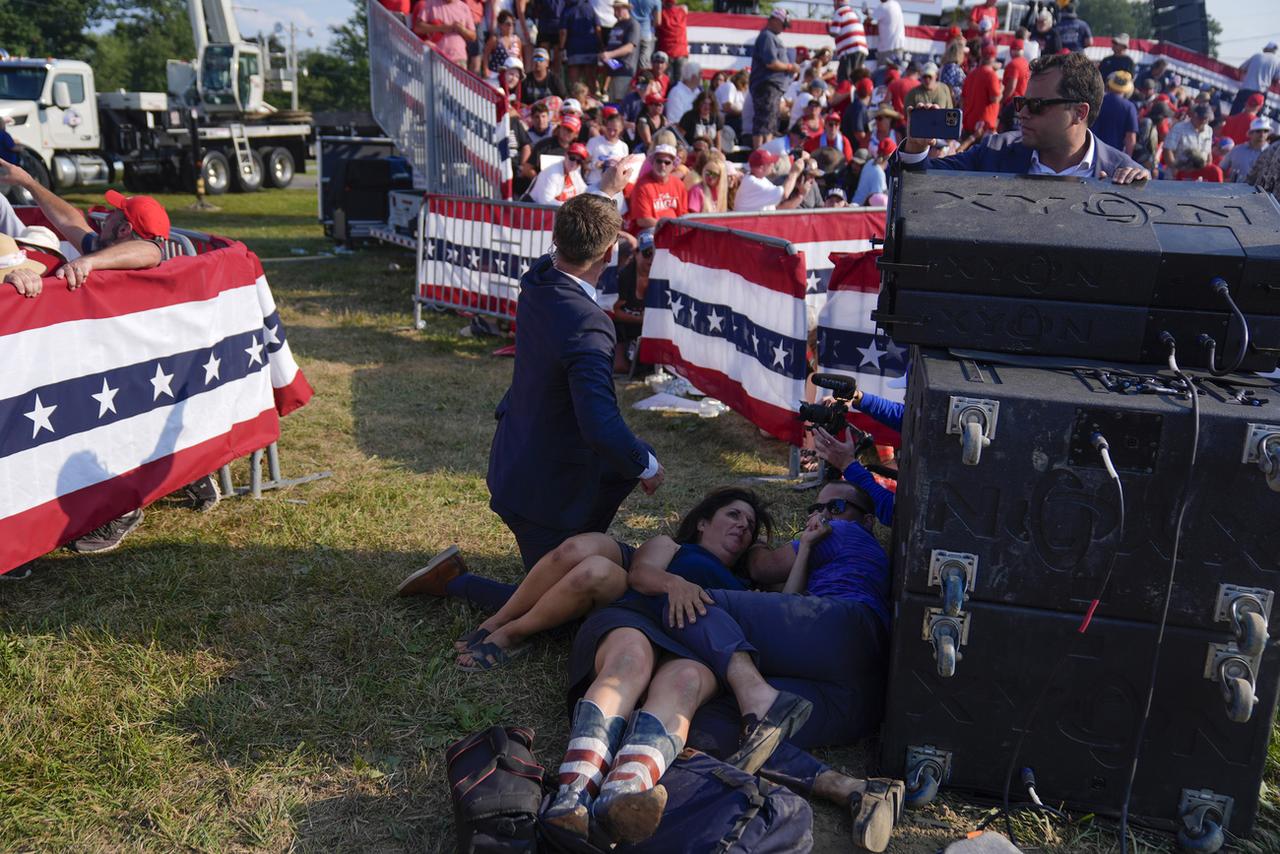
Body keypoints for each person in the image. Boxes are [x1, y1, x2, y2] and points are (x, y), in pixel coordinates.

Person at [543, 485, 903, 849]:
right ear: (701, 522)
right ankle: (851, 788)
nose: (824, 515)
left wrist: (759, 554)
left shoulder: (835, 537)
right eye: (734, 515)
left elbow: (775, 586)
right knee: (710, 726)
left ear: (868, 520)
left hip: (836, 632)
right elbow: (641, 574)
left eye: (836, 506)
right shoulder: (679, 549)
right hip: (859, 692)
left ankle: (755, 698)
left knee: (694, 602)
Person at [484, 194, 663, 574]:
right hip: (541, 497)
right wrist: (647, 468)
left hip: (519, 462)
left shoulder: (539, 280)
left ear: (556, 237)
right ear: (610, 253)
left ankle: (578, 541)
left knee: (627, 459)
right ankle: (456, 582)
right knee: (557, 609)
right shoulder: (588, 322)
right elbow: (599, 424)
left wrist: (608, 191)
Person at [899, 52, 1149, 183]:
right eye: (1021, 103)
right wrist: (915, 148)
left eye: (1037, 105)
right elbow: (916, 182)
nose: (1023, 113)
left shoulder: (1123, 175)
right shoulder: (994, 151)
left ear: (1079, 113)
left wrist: (1142, 192)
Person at [749, 9, 798, 147]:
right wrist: (790, 67)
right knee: (763, 122)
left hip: (772, 87)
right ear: (775, 20)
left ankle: (766, 152)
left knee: (769, 122)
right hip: (766, 85)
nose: (783, 29)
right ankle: (759, 154)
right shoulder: (767, 36)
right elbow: (771, 63)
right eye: (783, 25)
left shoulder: (770, 37)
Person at [627, 143, 687, 230]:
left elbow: (683, 215)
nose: (663, 165)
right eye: (659, 161)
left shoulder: (679, 184)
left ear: (673, 165)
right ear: (653, 162)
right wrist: (670, 227)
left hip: (674, 230)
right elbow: (643, 220)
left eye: (667, 162)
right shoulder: (642, 185)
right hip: (650, 231)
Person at [733, 148, 803, 211]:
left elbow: (777, 207)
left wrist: (801, 195)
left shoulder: (760, 178)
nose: (773, 164)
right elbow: (784, 194)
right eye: (770, 163)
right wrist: (794, 172)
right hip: (746, 224)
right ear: (761, 168)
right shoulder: (753, 182)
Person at [412, 0, 477, 66]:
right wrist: (441, 28)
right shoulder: (430, 4)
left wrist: (462, 30)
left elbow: (473, 36)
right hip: (435, 58)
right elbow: (418, 28)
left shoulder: (464, 7)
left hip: (458, 59)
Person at [601, 0, 640, 102]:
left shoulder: (633, 24)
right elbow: (612, 45)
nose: (615, 12)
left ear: (626, 8)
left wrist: (609, 54)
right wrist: (605, 55)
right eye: (614, 9)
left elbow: (629, 47)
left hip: (625, 70)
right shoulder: (617, 25)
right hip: (613, 70)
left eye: (618, 9)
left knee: (620, 101)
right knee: (613, 101)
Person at [1093, 70, 1139, 156]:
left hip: (1091, 149)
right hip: (1113, 155)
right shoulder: (1129, 107)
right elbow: (1131, 137)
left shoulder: (1097, 101)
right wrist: (1128, 159)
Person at [960, 44, 1001, 139]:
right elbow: (995, 98)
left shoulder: (971, 74)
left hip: (968, 124)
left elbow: (962, 99)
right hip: (983, 128)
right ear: (993, 58)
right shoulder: (991, 75)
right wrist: (1002, 89)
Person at [1162, 103, 1214, 174]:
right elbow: (1168, 150)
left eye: (1206, 118)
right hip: (1180, 170)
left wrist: (1208, 170)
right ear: (1194, 115)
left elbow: (1208, 153)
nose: (1204, 121)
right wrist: (1174, 168)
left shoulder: (1209, 130)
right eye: (1201, 118)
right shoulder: (1179, 128)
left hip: (1199, 174)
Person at [562, 0, 602, 87]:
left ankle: (576, 99)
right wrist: (601, 44)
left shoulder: (568, 9)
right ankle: (593, 98)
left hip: (574, 49)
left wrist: (561, 47)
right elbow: (598, 28)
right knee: (591, 79)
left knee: (575, 82)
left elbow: (563, 32)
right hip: (590, 48)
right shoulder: (590, 7)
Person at [1233, 42, 1280, 116]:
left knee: (1234, 113)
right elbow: (1277, 78)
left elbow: (1242, 68)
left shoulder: (1257, 56)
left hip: (1246, 88)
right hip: (1261, 92)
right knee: (1255, 120)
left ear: (1266, 49)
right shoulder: (1277, 61)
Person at [586, 108, 629, 186]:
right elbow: (584, 165)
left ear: (621, 129)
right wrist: (595, 165)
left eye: (615, 130)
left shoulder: (623, 146)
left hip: (613, 186)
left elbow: (624, 169)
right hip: (594, 184)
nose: (611, 133)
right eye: (609, 129)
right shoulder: (593, 142)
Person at [830, 0, 868, 82]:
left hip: (849, 51)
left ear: (837, 2)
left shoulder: (839, 12)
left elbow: (834, 32)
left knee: (844, 78)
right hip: (861, 50)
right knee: (856, 77)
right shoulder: (854, 13)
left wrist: (828, 28)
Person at [1222, 118, 1270, 183]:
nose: (1262, 134)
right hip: (1233, 191)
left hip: (1257, 192)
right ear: (1250, 133)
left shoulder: (1271, 154)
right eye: (1258, 131)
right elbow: (1222, 168)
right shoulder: (1237, 150)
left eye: (1266, 131)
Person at [655, 0, 689, 85]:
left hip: (666, 52)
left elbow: (656, 26)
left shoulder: (661, 14)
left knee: (666, 82)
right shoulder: (682, 11)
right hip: (681, 52)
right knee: (681, 83)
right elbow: (685, 8)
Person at [852, 138, 893, 205]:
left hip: (856, 205)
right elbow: (879, 202)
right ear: (889, 156)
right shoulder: (879, 173)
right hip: (860, 210)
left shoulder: (869, 163)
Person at [869, 0, 905, 68]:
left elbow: (869, 20)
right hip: (898, 46)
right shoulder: (896, 4)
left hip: (887, 48)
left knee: (882, 74)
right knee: (895, 73)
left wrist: (867, 14)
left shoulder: (883, 6)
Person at [841, 76, 875, 149]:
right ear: (871, 92)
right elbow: (858, 133)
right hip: (854, 149)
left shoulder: (857, 105)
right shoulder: (859, 107)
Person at [717, 70, 748, 137]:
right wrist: (744, 112)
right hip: (724, 119)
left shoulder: (739, 92)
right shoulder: (730, 86)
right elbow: (727, 108)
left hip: (732, 119)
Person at [631, 0, 660, 69]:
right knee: (644, 64)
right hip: (646, 34)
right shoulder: (656, 1)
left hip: (632, 34)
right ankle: (642, 78)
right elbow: (658, 21)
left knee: (631, 62)